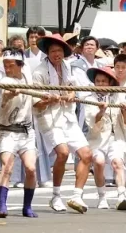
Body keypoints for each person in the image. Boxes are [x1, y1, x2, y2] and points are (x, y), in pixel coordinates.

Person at [33, 34, 93, 214]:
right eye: (52, 51)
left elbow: (74, 89)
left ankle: (76, 195)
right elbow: (34, 101)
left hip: (67, 116)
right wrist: (47, 99)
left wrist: (70, 95)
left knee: (86, 154)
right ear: (47, 53)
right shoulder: (39, 72)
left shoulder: (67, 67)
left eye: (59, 50)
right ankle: (56, 195)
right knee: (63, 153)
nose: (56, 54)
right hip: (49, 117)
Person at [0, 50, 39, 218]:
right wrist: (8, 95)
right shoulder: (4, 80)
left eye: (11, 65)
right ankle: (2, 206)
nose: (7, 68)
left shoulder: (27, 75)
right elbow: (5, 92)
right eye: (5, 65)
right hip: (8, 131)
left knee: (31, 168)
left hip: (27, 131)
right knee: (7, 167)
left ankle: (27, 206)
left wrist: (48, 97)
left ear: (20, 65)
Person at [84, 66, 126, 211]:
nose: (100, 84)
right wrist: (101, 112)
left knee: (118, 163)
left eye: (104, 81)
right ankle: (102, 197)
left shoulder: (119, 95)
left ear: (110, 82)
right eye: (97, 81)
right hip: (97, 138)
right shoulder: (89, 98)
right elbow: (91, 123)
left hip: (116, 137)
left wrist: (124, 111)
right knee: (98, 162)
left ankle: (121, 196)